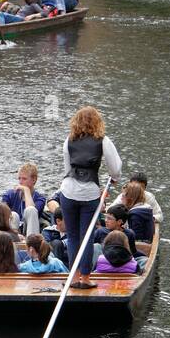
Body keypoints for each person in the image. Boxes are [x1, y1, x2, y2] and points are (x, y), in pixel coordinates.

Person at [58, 105, 123, 289]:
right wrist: (115, 178)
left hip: (68, 191)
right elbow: (116, 168)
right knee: (86, 237)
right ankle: (85, 279)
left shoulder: (68, 140)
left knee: (72, 237)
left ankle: (73, 277)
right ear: (97, 122)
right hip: (89, 193)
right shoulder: (102, 141)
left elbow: (67, 169)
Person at [0, 163, 47, 236]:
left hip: (30, 233)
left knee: (31, 209)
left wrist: (26, 191)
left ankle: (31, 244)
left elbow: (32, 213)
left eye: (24, 179)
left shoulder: (40, 199)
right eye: (19, 178)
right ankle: (14, 241)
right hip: (13, 232)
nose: (20, 182)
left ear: (34, 180)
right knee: (13, 215)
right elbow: (1, 215)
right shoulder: (9, 195)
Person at [120, 180, 156, 254]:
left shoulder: (135, 215)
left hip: (140, 249)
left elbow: (135, 238)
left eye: (123, 196)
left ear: (130, 199)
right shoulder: (145, 209)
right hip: (146, 242)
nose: (121, 199)